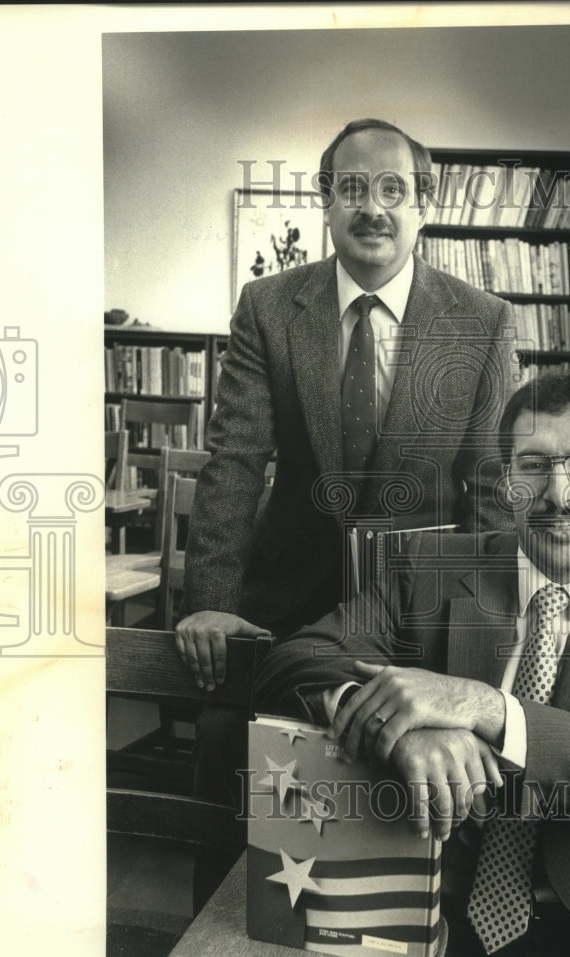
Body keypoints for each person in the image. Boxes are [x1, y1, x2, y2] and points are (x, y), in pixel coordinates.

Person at [254, 371, 570, 957]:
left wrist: (484, 706)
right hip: (424, 901)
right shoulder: (426, 566)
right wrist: (400, 727)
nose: (558, 493)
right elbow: (291, 661)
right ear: (504, 485)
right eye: (532, 466)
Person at [176, 117, 518, 691]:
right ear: (327, 201)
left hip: (419, 624)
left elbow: (490, 493)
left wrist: (473, 638)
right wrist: (210, 603)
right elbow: (234, 463)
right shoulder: (267, 308)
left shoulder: (483, 321)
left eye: (393, 189)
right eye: (353, 189)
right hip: (279, 613)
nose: (373, 209)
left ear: (423, 205)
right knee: (245, 769)